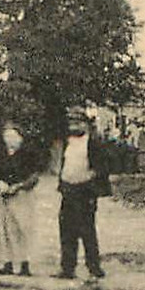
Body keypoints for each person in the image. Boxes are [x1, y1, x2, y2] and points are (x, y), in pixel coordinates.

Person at [55, 105, 113, 280]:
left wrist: (91, 177)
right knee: (66, 230)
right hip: (68, 189)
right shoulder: (67, 142)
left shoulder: (94, 142)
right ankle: (68, 268)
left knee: (87, 229)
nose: (74, 126)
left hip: (85, 190)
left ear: (86, 124)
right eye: (71, 122)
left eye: (78, 122)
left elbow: (103, 166)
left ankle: (94, 267)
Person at [0, 121, 44, 276]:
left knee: (22, 228)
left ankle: (25, 264)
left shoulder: (28, 154)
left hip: (22, 196)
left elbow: (35, 177)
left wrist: (19, 186)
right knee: (2, 229)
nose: (10, 139)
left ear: (21, 137)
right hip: (2, 196)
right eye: (7, 136)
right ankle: (7, 263)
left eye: (13, 136)